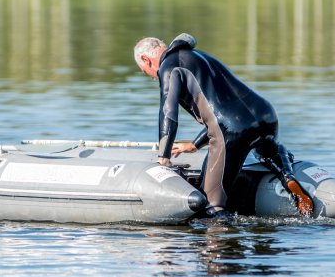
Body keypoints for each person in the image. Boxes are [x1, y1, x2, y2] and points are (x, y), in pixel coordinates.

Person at [134, 33, 313, 218]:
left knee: (211, 205)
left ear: (146, 60)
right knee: (266, 153)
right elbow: (225, 111)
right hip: (264, 116)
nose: (151, 76)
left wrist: (163, 156)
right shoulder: (199, 56)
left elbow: (168, 112)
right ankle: (287, 176)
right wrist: (195, 145)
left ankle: (222, 239)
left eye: (144, 71)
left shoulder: (168, 67)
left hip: (233, 128)